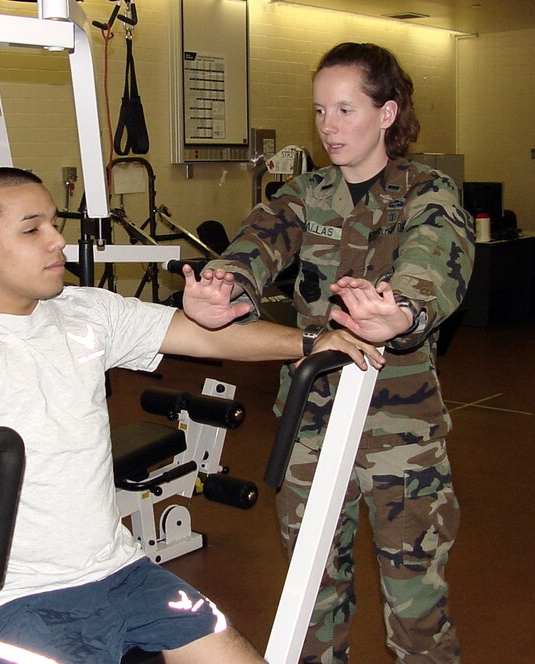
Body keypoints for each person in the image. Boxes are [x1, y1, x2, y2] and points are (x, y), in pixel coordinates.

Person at [0, 167, 384, 664]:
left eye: (55, 223)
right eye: (32, 229)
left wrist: (313, 340)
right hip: (10, 599)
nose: (57, 240)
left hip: (122, 571)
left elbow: (201, 334)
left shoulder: (88, 312)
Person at [182, 43, 474, 664]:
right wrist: (222, 287)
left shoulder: (427, 190)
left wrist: (402, 311)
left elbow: (436, 258)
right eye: (319, 111)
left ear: (388, 113)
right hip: (311, 423)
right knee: (313, 604)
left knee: (416, 608)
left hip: (401, 431)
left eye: (345, 110)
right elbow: (255, 244)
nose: (329, 127)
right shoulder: (306, 193)